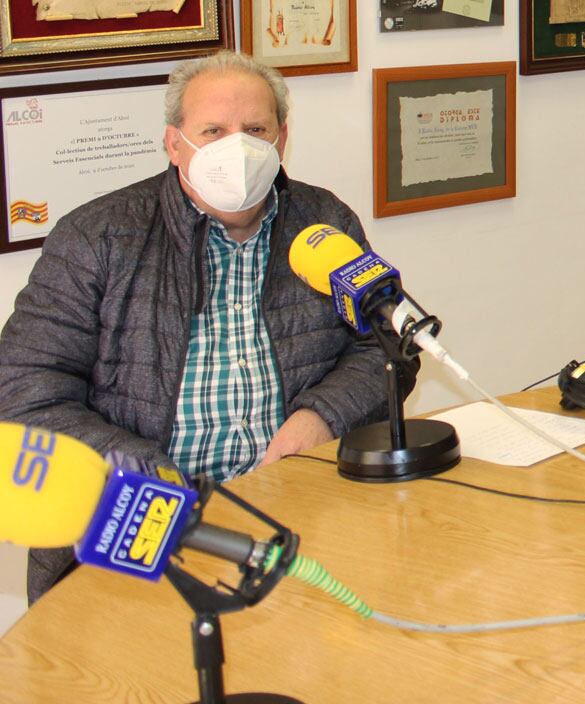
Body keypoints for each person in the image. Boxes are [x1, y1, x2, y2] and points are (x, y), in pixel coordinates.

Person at [0, 51, 397, 603]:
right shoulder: (97, 237)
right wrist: (147, 473)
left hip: (300, 512)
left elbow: (380, 346)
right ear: (174, 143)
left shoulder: (324, 221)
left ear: (281, 140)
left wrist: (320, 418)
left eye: (254, 129)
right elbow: (23, 394)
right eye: (213, 130)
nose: (236, 147)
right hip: (140, 530)